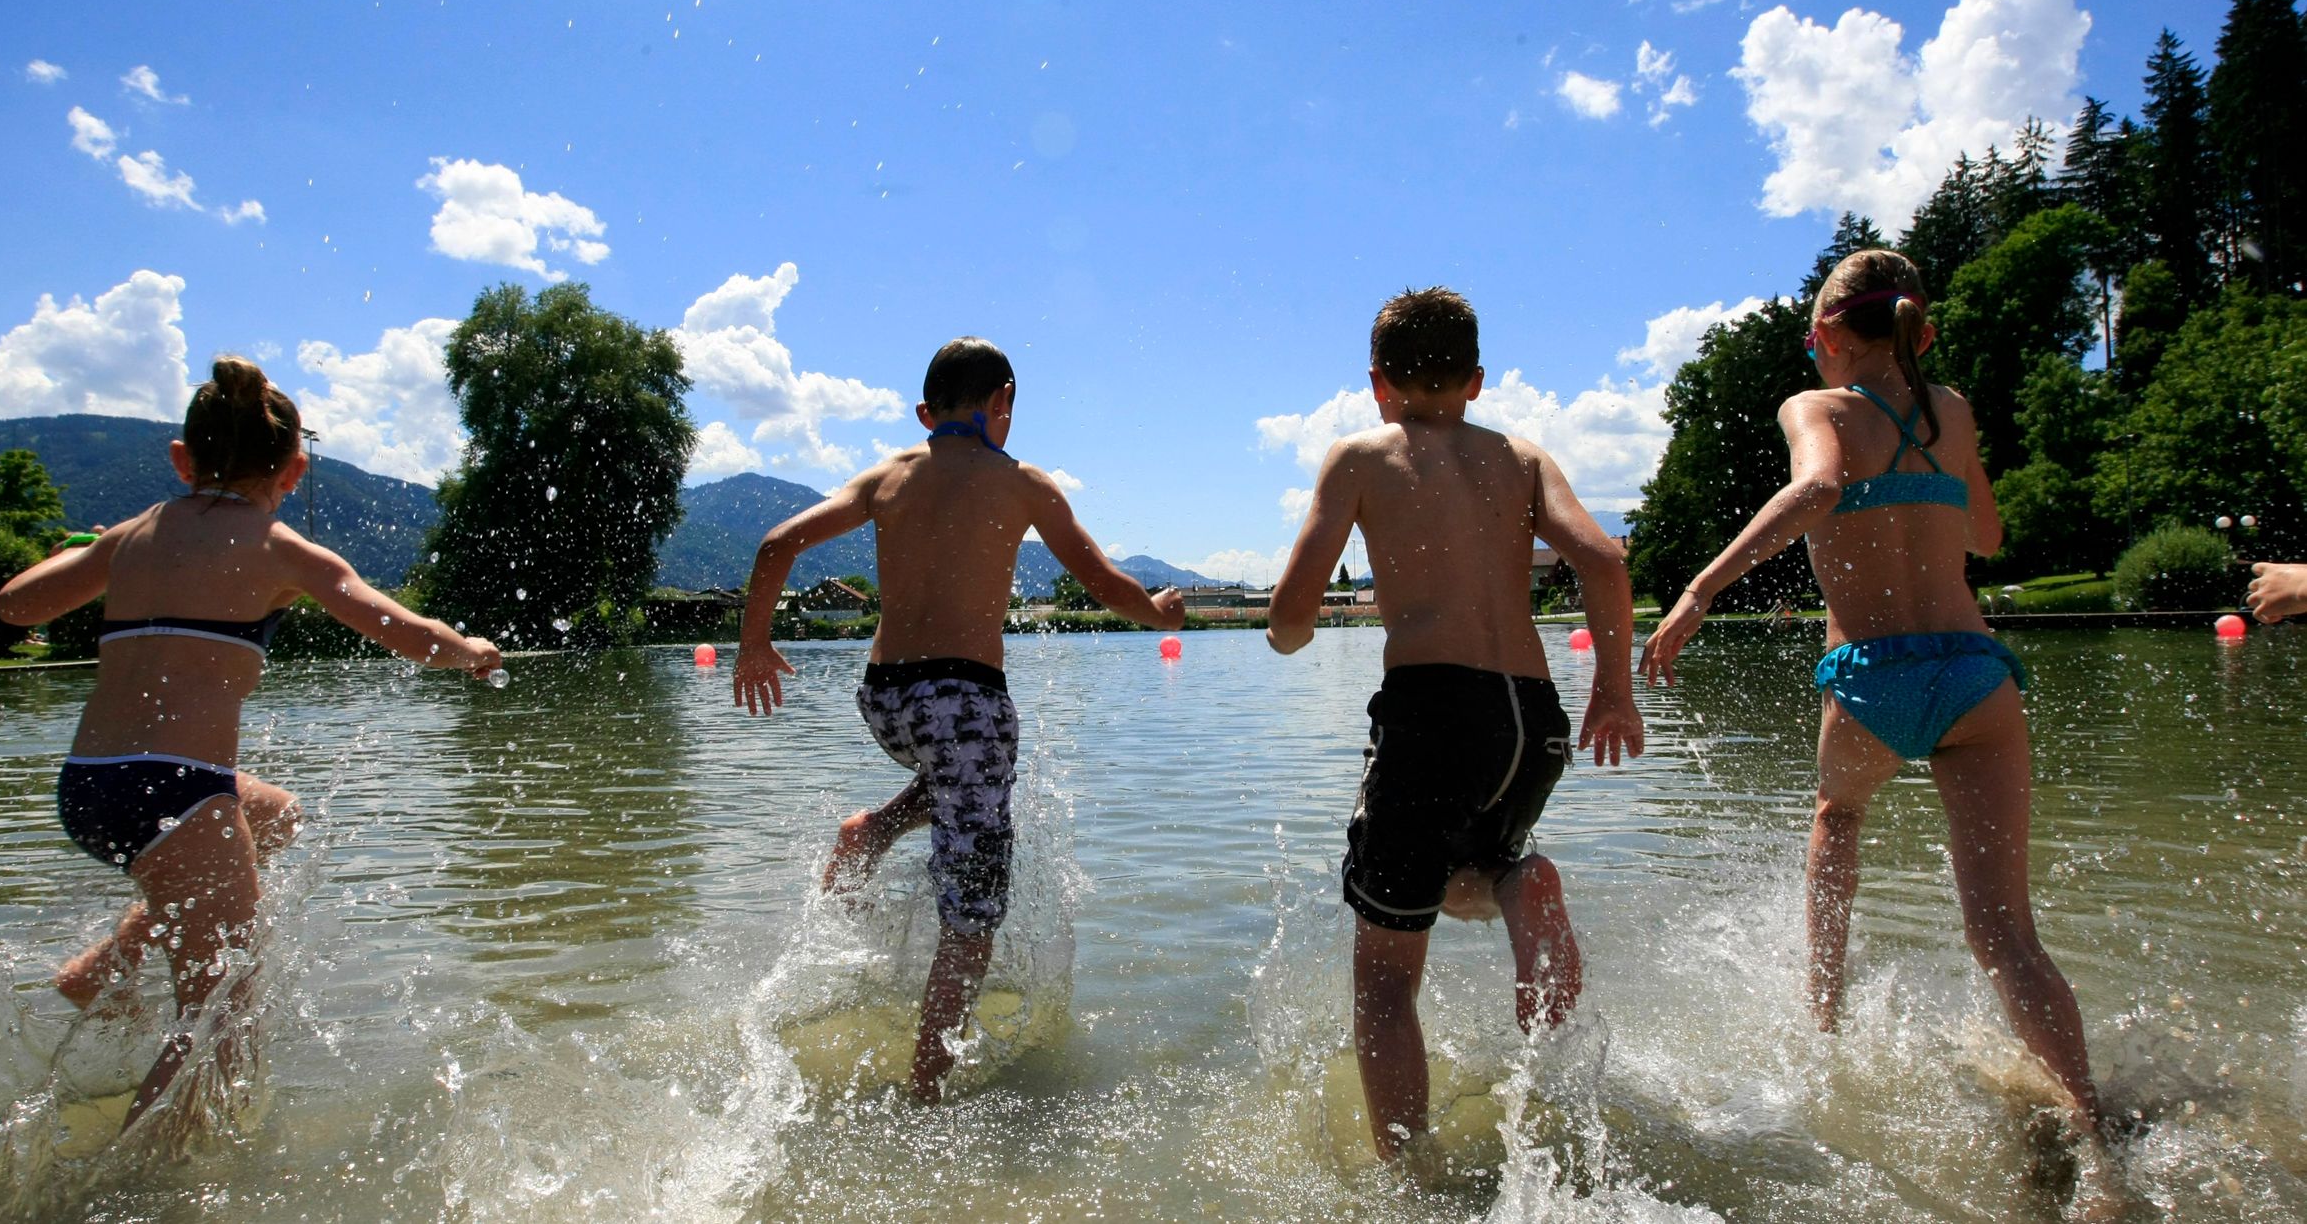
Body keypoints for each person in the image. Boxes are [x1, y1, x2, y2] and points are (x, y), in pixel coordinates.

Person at [1637, 250, 2101, 1137]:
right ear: (1916, 331)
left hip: (1870, 679)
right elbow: (1992, 536)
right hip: (1973, 674)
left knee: (1837, 815)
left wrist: (1698, 594)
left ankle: (1821, 1013)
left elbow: (1817, 487)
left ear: (1827, 339)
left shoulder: (1816, 406)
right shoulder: (1953, 410)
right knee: (2006, 938)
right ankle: (2091, 1124)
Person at [0, 356, 501, 1129]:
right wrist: (470, 650)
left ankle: (107, 966)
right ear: (294, 469)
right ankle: (147, 1196)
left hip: (89, 787)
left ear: (181, 459)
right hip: (176, 791)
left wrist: (94, 553)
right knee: (220, 1021)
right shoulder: (282, 551)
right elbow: (412, 636)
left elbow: (16, 606)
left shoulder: (131, 538)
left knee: (277, 816)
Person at [731, 337, 1185, 1103]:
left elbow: (777, 545)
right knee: (973, 917)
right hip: (964, 702)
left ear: (924, 413)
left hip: (884, 700)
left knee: (960, 771)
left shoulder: (886, 476)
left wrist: (753, 647)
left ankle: (870, 833)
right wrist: (1157, 611)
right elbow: (1104, 581)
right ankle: (924, 1093)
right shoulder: (1023, 484)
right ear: (1003, 402)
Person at [1266, 287, 1643, 1163]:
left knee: (1386, 986)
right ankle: (1516, 886)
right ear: (1476, 379)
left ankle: (1411, 1182)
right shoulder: (1522, 457)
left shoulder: (1360, 457)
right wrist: (1614, 692)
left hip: (1433, 713)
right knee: (1470, 863)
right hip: (1532, 721)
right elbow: (1603, 558)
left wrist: (1291, 632)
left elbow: (1290, 615)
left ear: (1376, 382)